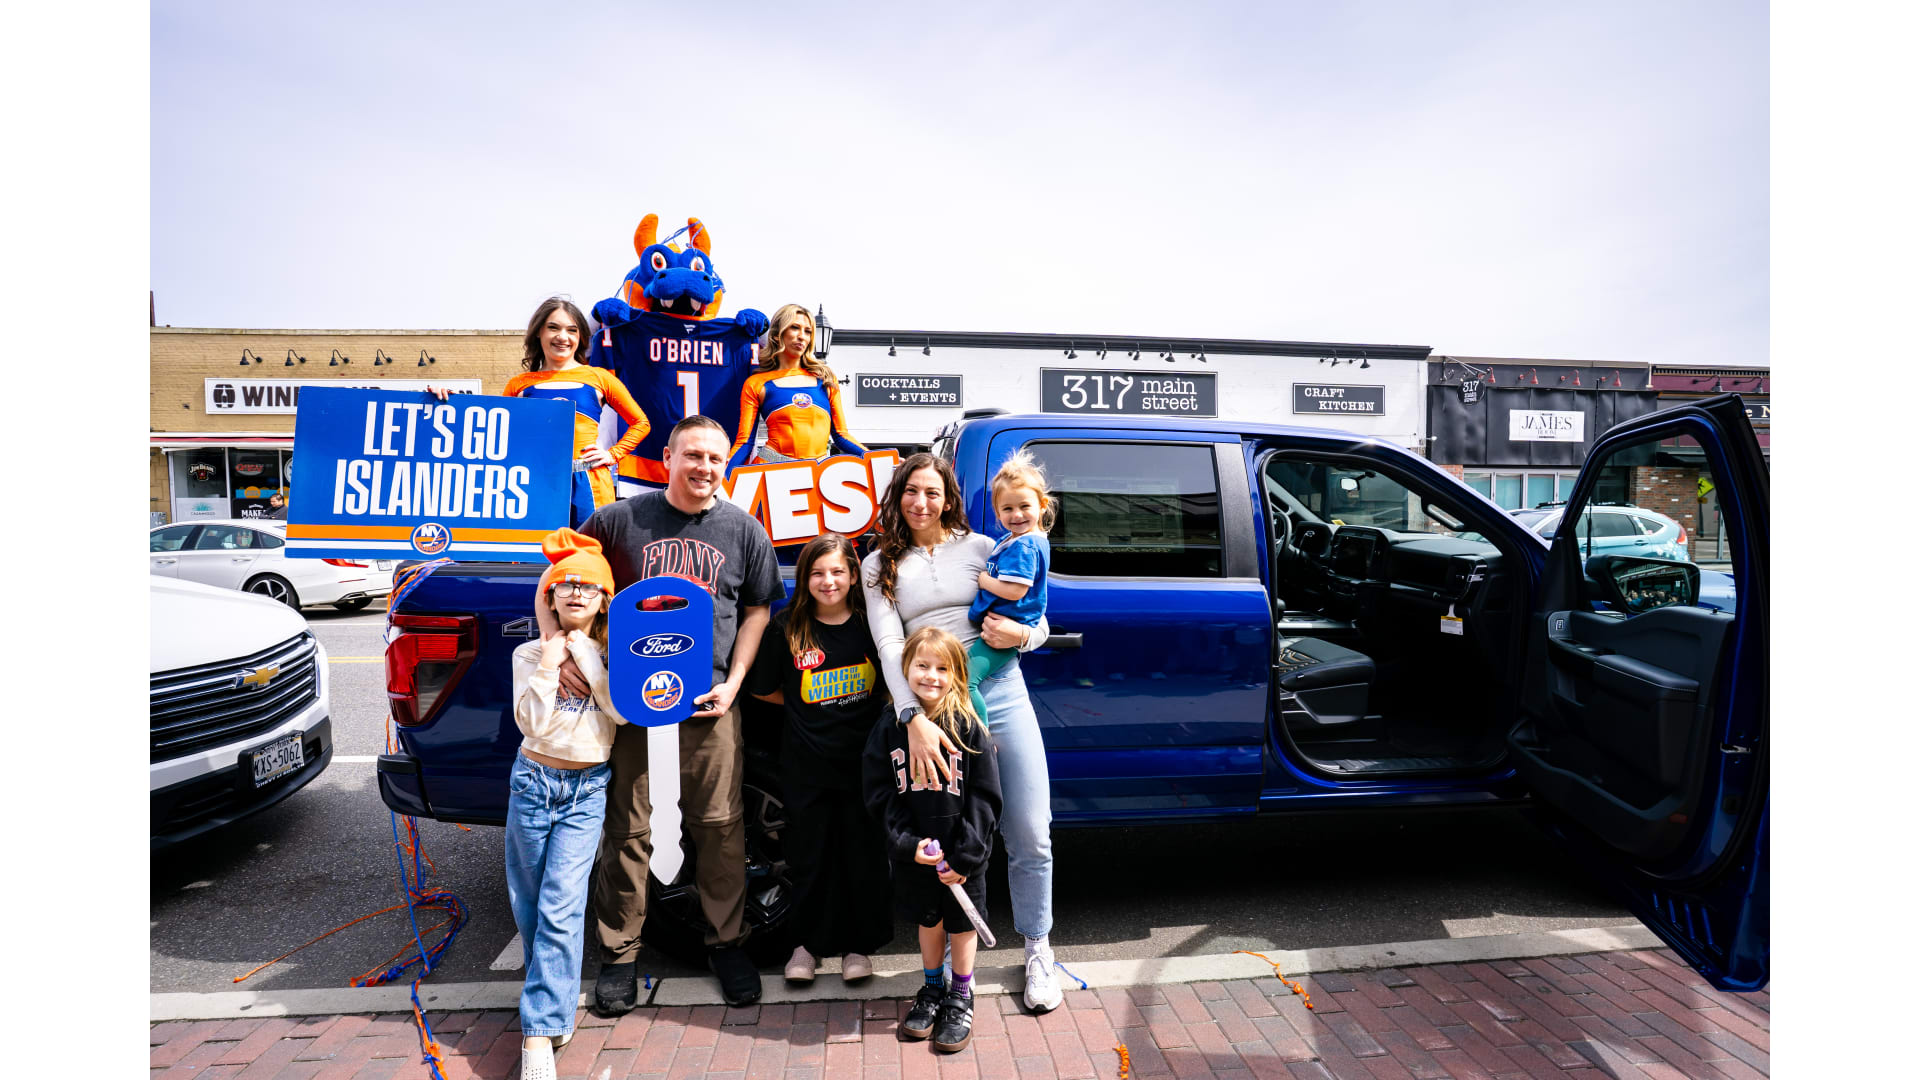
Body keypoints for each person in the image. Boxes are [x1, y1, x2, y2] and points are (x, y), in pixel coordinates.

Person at [561, 415, 782, 1010]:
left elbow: (757, 610)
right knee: (628, 829)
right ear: (667, 458)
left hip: (709, 703)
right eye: (693, 455)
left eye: (715, 457)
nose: (704, 467)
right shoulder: (618, 520)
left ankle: (727, 943)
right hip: (632, 705)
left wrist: (734, 683)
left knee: (720, 825)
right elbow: (563, 579)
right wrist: (563, 649)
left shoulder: (743, 530)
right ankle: (620, 955)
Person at [861, 452, 1067, 1013]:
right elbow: (888, 644)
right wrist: (913, 718)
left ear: (949, 497)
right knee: (947, 835)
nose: (921, 502)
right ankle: (951, 974)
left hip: (1001, 694)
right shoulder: (879, 563)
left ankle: (1038, 948)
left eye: (933, 491)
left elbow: (1037, 614)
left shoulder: (982, 547)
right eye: (911, 490)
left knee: (1030, 830)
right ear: (898, 496)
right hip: (932, 710)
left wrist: (1022, 639)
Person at [506, 528, 626, 1080]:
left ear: (604, 598)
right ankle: (553, 1002)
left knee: (561, 905)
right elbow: (531, 723)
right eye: (566, 584)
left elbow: (620, 713)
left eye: (588, 586)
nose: (577, 592)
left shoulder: (614, 654)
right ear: (551, 596)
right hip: (533, 783)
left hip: (586, 789)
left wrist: (589, 663)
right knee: (530, 905)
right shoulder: (530, 652)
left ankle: (537, 1032)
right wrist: (551, 662)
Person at [746, 533, 892, 985]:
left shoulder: (871, 625)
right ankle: (805, 946)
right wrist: (802, 709)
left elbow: (890, 685)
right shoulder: (786, 627)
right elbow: (764, 690)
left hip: (863, 765)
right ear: (804, 579)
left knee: (861, 857)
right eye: (817, 573)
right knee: (809, 858)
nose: (828, 581)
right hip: (806, 766)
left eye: (837, 572)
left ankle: (857, 947)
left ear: (854, 576)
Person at [864, 627, 1000, 1054]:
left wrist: (967, 855)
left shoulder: (969, 727)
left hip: (961, 858)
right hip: (918, 856)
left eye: (943, 668)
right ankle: (932, 988)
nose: (931, 676)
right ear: (905, 670)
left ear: (957, 674)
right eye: (922, 666)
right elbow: (879, 793)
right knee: (929, 921)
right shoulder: (888, 727)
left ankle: (961, 994)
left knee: (962, 926)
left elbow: (985, 797)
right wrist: (906, 844)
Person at [503, 297, 652, 527]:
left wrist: (612, 454)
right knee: (537, 549)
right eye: (553, 328)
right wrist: (449, 402)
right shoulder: (519, 384)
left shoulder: (599, 377)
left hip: (590, 482)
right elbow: (497, 430)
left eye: (571, 330)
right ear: (539, 332)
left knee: (590, 547)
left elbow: (641, 423)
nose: (563, 337)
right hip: (536, 482)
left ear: (580, 336)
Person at [963, 451, 1052, 727]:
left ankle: (980, 736)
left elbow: (1015, 591)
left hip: (1006, 628)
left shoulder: (1025, 545)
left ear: (1042, 505)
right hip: (1002, 625)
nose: (1017, 515)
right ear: (997, 511)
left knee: (965, 682)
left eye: (1025, 506)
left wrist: (983, 580)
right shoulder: (1016, 539)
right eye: (1008, 509)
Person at [725, 304, 866, 473]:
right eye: (795, 328)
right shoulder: (756, 383)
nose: (802, 336)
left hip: (818, 474)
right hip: (771, 469)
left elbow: (841, 436)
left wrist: (880, 460)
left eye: (808, 331)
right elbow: (745, 442)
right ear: (777, 335)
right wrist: (722, 476)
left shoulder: (825, 379)